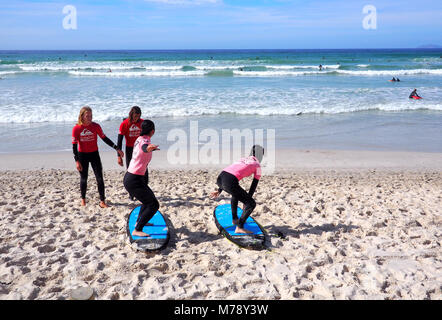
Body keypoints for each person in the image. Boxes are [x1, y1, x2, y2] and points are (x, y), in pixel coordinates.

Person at [72, 106, 124, 208]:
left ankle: (102, 201)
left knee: (99, 178)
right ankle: (83, 199)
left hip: (94, 154)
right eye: (87, 116)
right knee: (84, 178)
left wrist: (116, 148)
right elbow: (74, 146)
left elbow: (105, 138)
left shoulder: (96, 126)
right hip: (82, 155)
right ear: (82, 116)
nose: (90, 117)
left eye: (91, 115)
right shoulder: (77, 128)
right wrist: (77, 161)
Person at [210, 145, 264, 234]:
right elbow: (253, 185)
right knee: (251, 204)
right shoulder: (257, 166)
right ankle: (239, 227)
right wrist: (247, 202)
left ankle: (235, 219)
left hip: (220, 178)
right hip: (229, 181)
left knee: (235, 193)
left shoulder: (242, 159)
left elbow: (230, 172)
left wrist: (219, 190)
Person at [123, 120, 160, 237]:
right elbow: (144, 148)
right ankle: (137, 229)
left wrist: (150, 148)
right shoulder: (144, 141)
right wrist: (149, 148)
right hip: (134, 180)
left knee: (148, 201)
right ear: (152, 131)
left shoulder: (140, 138)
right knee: (154, 205)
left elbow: (144, 147)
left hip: (134, 178)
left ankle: (140, 221)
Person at [117, 106, 148, 199]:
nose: (136, 119)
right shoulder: (124, 124)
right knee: (131, 171)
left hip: (141, 149)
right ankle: (132, 193)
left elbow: (146, 137)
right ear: (131, 114)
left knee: (144, 170)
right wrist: (118, 155)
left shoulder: (142, 123)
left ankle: (144, 191)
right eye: (135, 117)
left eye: (138, 116)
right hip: (130, 149)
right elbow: (119, 140)